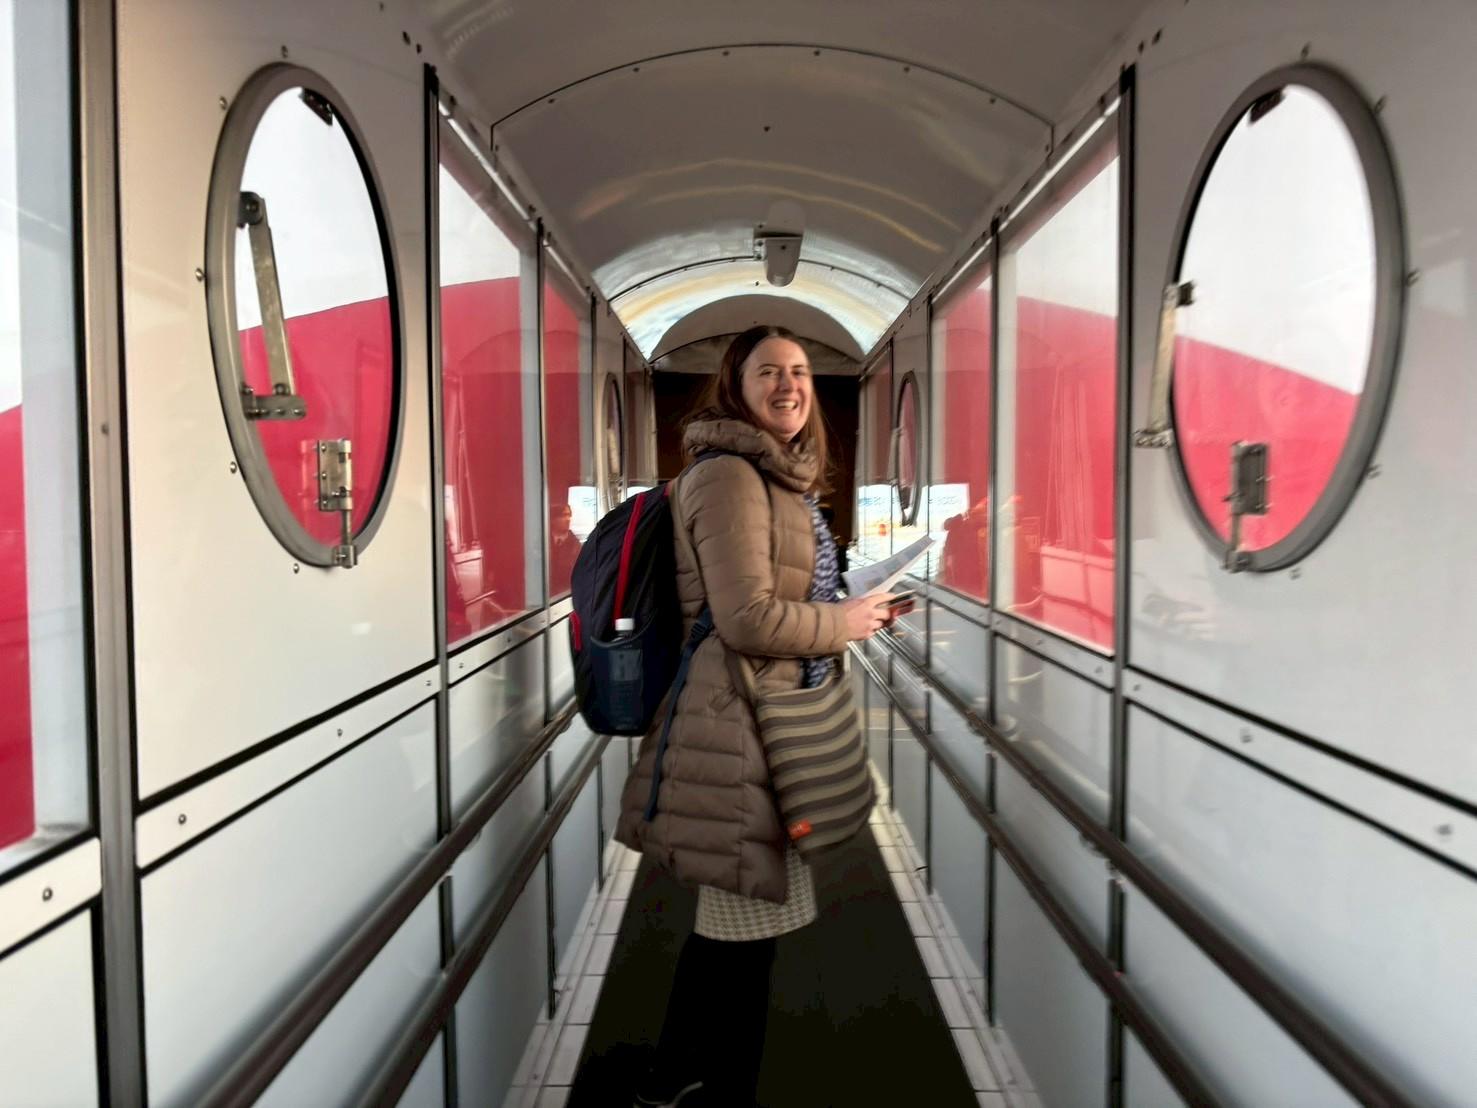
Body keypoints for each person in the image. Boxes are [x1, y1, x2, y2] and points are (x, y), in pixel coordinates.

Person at [615, 326, 908, 1108]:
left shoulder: (778, 480)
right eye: (768, 372)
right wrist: (841, 625)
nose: (789, 385)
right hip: (734, 721)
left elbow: (786, 598)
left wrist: (852, 607)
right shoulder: (728, 479)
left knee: (743, 925)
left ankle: (680, 1077)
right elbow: (745, 619)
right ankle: (694, 1083)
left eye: (800, 371)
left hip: (759, 712)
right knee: (740, 924)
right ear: (734, 386)